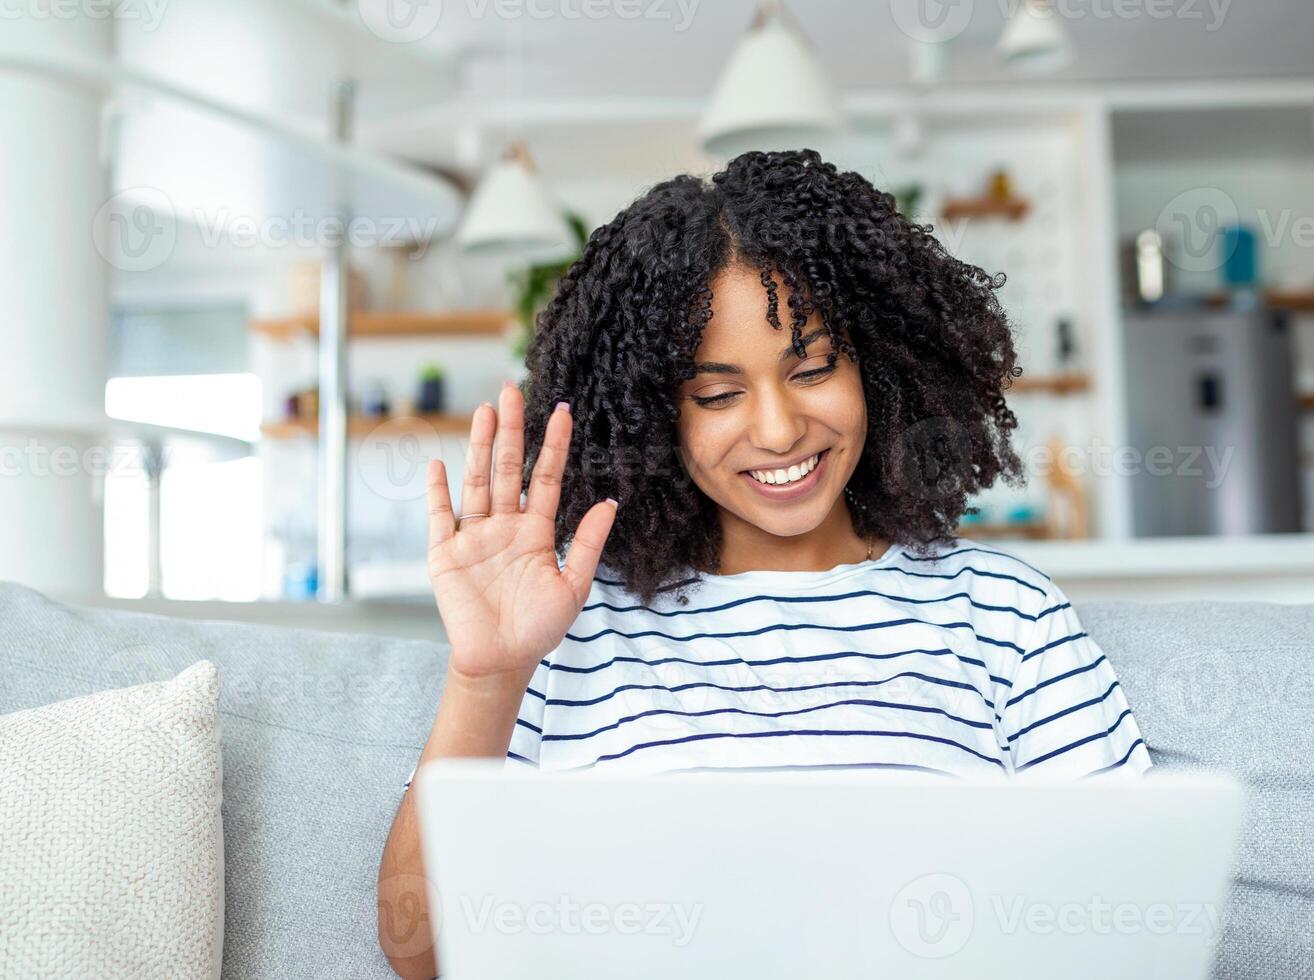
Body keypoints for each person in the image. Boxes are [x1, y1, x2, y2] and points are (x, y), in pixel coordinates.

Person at [377, 148, 1151, 978]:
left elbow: (1134, 920)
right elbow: (419, 953)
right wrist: (487, 679)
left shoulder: (1005, 613)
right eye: (717, 395)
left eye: (813, 369)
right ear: (653, 414)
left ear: (882, 366)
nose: (779, 431)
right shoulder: (561, 630)